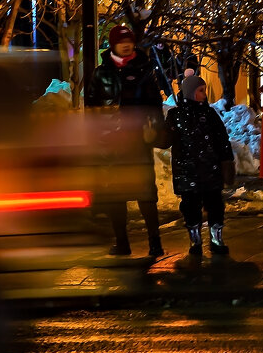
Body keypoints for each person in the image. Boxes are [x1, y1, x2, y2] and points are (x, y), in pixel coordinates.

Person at [87, 24, 165, 257]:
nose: (126, 44)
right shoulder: (101, 74)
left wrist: (155, 131)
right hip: (111, 145)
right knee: (115, 196)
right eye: (121, 41)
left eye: (129, 40)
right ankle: (122, 243)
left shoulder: (145, 70)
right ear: (113, 44)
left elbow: (155, 107)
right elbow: (92, 107)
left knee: (146, 194)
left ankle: (155, 242)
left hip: (137, 142)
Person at [166, 74, 235, 256]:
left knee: (215, 205)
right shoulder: (176, 115)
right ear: (190, 93)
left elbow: (222, 139)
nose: (204, 95)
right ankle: (195, 239)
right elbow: (166, 139)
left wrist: (226, 161)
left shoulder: (210, 114)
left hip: (210, 170)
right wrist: (152, 135)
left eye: (204, 90)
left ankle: (216, 238)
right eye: (201, 91)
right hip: (187, 171)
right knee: (190, 206)